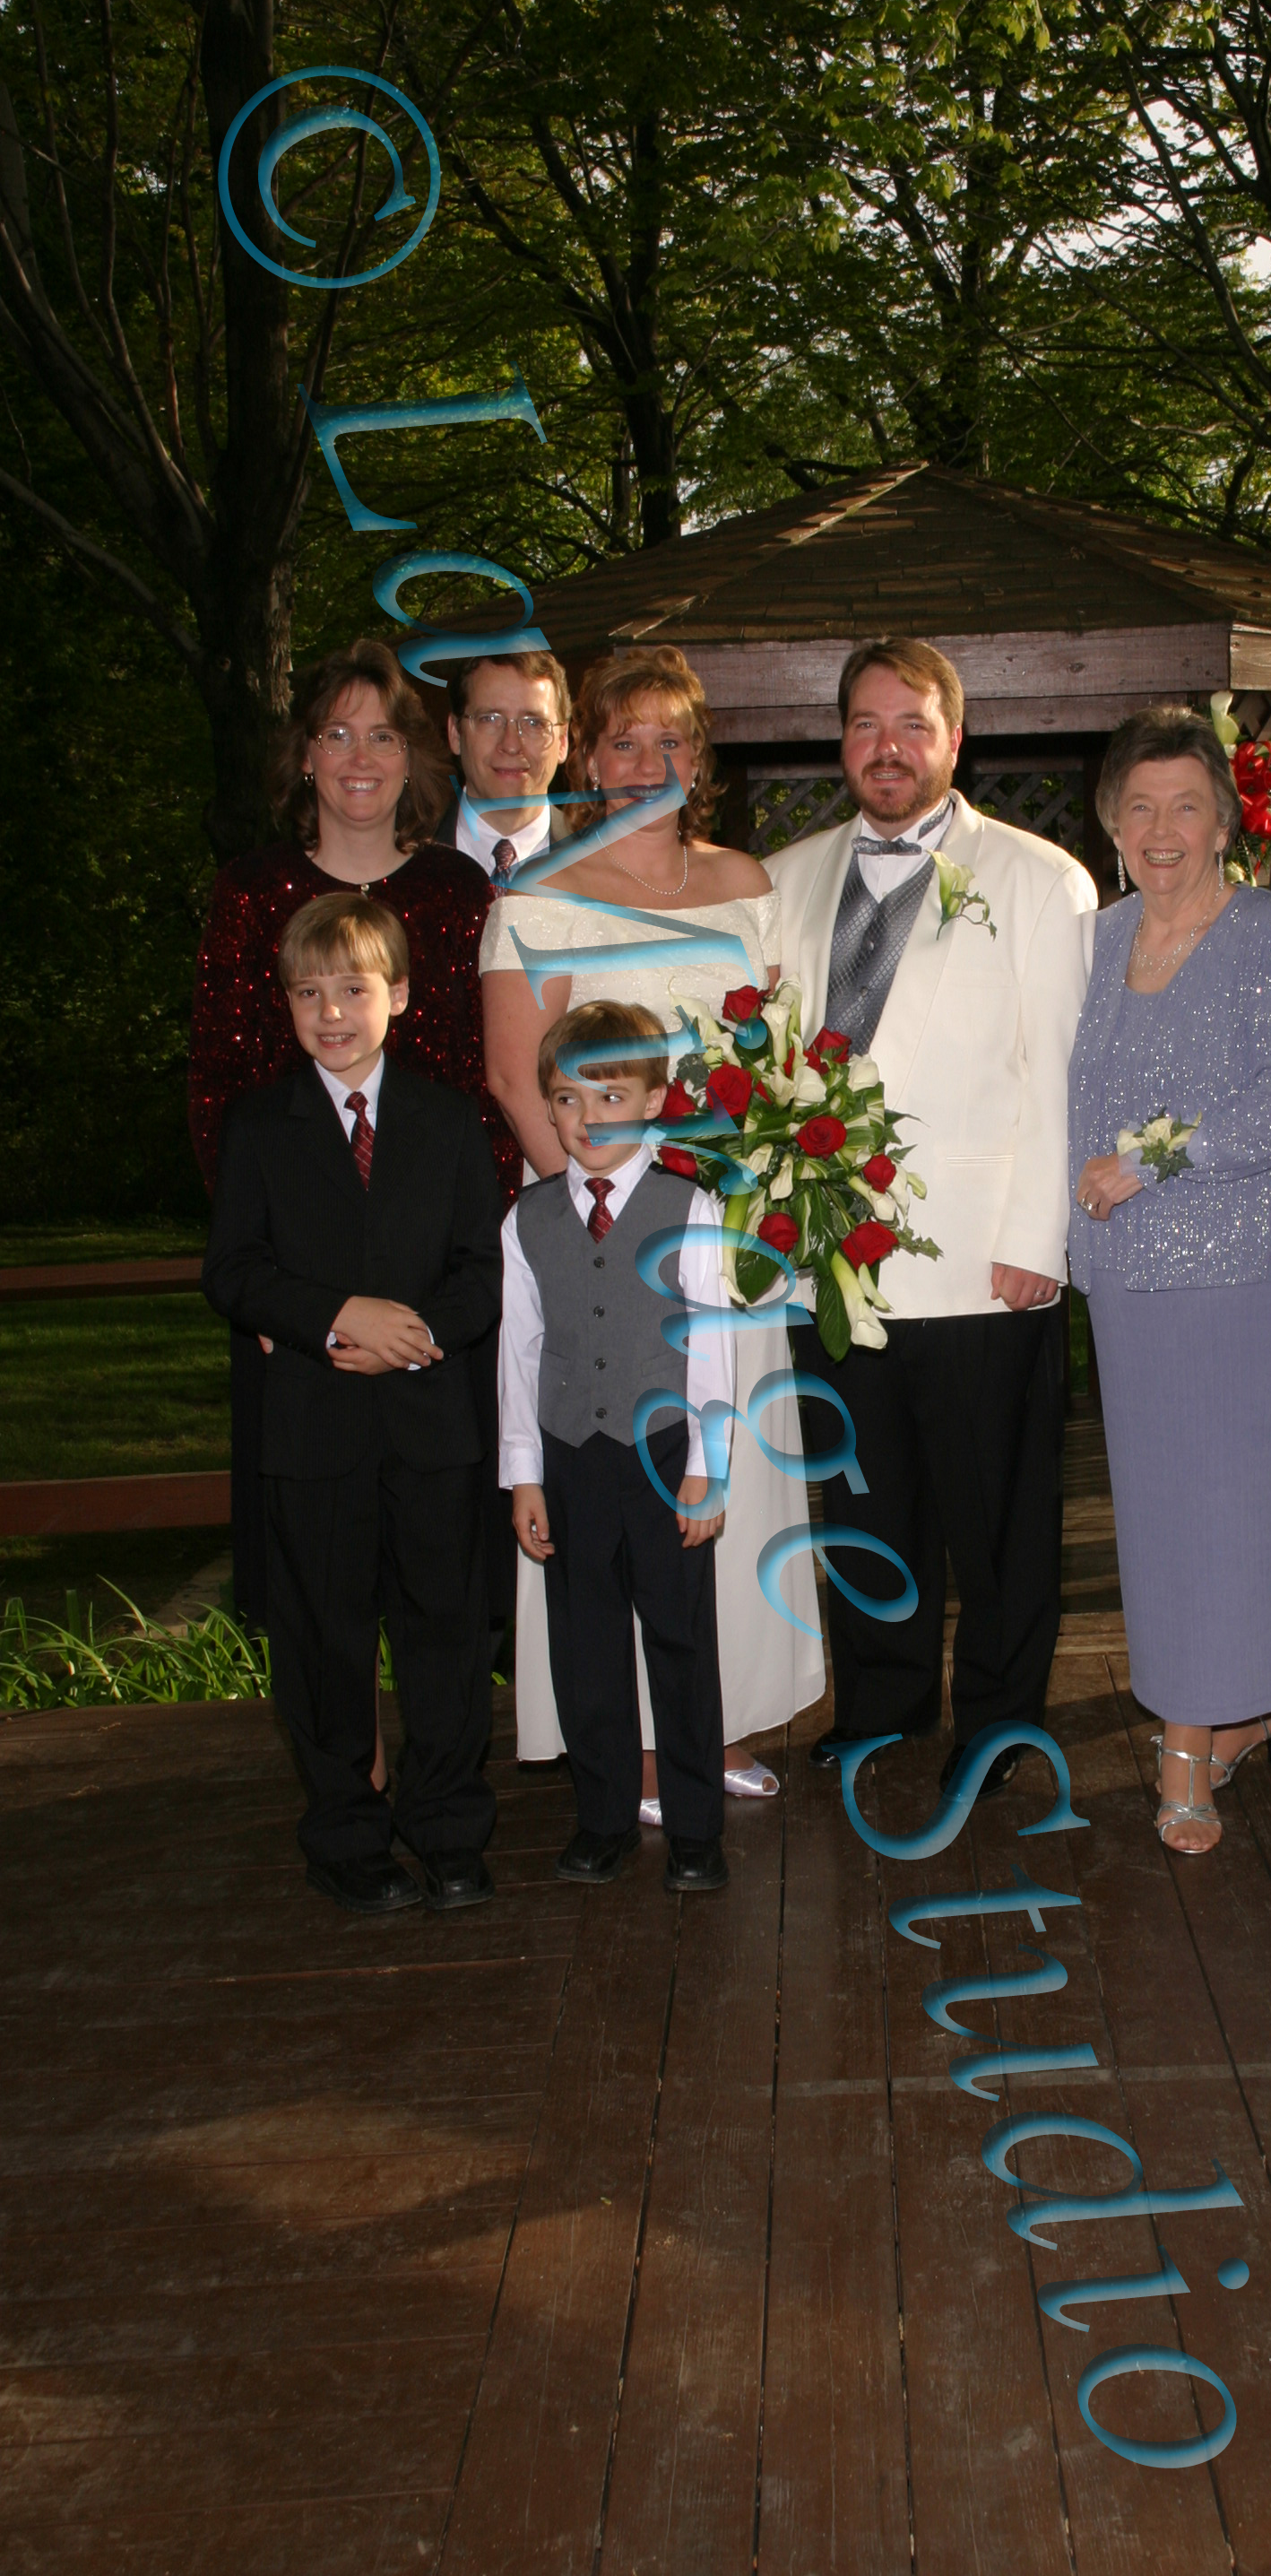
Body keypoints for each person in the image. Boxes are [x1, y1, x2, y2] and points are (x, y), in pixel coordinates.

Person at [480, 644, 824, 1793]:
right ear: (585, 759)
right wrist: (610, 1235)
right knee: (611, 1494)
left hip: (725, 1249)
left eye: (667, 739)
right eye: (620, 741)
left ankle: (711, 1729)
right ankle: (620, 1746)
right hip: (601, 1262)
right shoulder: (538, 898)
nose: (644, 762)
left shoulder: (743, 882)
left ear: (698, 758)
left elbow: (776, 1059)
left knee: (720, 1486)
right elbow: (518, 1079)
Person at [769, 638, 1097, 1792]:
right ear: (840, 742)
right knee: (867, 1509)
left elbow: (1059, 1072)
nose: (887, 747)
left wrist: (1034, 1241)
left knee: (995, 1521)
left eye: (912, 724)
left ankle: (999, 1723)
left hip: (978, 1263)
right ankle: (881, 1706)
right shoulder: (784, 878)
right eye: (865, 724)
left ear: (955, 739)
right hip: (829, 1264)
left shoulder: (1039, 879)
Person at [189, 638, 516, 1626]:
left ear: (413, 757)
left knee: (441, 1579)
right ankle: (337, 1731)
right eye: (335, 735)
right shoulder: (251, 890)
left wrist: (459, 1293)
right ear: (304, 755)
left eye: (382, 736)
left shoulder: (457, 892)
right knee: (314, 1589)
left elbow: (484, 1082)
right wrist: (272, 1291)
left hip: (435, 1284)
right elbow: (218, 1088)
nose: (359, 757)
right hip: (296, 1292)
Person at [1068, 708, 1271, 1852]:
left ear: (1224, 821)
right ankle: (1239, 1711)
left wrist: (1148, 1159)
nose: (1161, 828)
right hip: (1126, 1272)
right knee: (1157, 1509)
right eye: (1139, 807)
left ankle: (1186, 1744)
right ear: (1110, 823)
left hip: (1250, 1260)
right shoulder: (1093, 938)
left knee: (1227, 1503)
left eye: (1185, 805)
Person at [202, 896, 502, 1914]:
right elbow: (234, 1271)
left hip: (431, 1426)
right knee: (324, 1641)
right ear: (286, 1004)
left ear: (400, 996)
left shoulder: (449, 1120)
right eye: (308, 993)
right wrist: (335, 1318)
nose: (331, 1013)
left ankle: (448, 1828)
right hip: (313, 1427)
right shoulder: (259, 1126)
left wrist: (409, 1334)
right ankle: (346, 1837)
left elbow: (481, 1270)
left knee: (445, 1635)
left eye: (352, 989)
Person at [499, 1001, 732, 1895]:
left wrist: (707, 1467)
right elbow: (519, 1354)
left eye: (611, 1097)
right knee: (585, 1644)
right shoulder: (525, 1220)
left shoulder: (688, 1207)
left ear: (652, 1102)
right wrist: (524, 1476)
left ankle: (695, 1829)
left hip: (664, 1454)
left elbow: (711, 1343)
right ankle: (602, 1817)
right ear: (549, 1108)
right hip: (570, 1457)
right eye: (568, 1099)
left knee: (679, 1640)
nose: (589, 1120)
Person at [438, 650, 572, 889]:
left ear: (563, 741)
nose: (511, 745)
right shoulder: (403, 861)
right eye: (490, 719)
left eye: (534, 723)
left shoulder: (605, 866)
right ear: (455, 733)